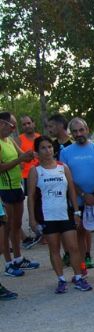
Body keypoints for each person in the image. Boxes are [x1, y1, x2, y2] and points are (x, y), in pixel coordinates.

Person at [27, 136, 92, 292]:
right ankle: (61, 279)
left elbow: (72, 190)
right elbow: (31, 197)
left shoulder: (63, 167)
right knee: (54, 249)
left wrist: (76, 211)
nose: (47, 150)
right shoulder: (35, 171)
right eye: (43, 147)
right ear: (37, 151)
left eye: (49, 146)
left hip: (65, 214)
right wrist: (32, 219)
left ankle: (78, 277)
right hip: (47, 216)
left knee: (73, 247)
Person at [60, 118, 94, 275]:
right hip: (78, 201)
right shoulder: (65, 152)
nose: (78, 134)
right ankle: (82, 267)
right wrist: (83, 194)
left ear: (87, 129)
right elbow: (66, 177)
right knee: (80, 234)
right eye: (74, 131)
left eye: (81, 130)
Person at [0, 111, 38, 277]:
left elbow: (23, 155)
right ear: (2, 124)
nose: (14, 129)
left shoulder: (9, 140)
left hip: (17, 186)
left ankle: (18, 258)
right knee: (6, 228)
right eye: (12, 125)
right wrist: (20, 160)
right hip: (4, 189)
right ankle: (8, 264)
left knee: (16, 226)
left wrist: (31, 156)